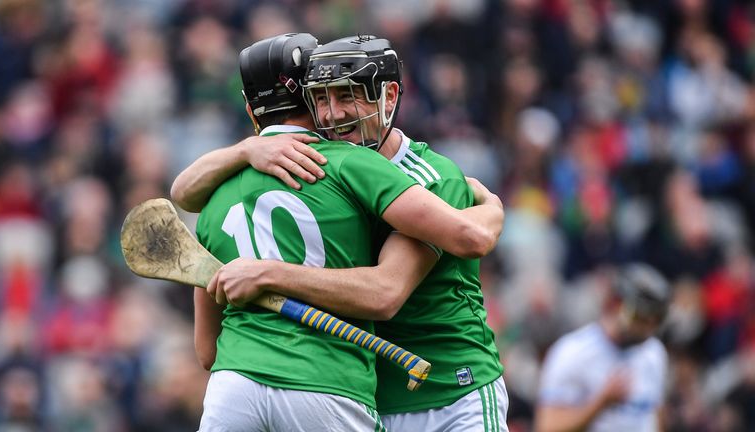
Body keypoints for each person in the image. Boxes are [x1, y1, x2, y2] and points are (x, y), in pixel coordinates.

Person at [177, 35, 509, 431]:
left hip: (451, 389)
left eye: (348, 96)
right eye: (321, 99)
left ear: (388, 98)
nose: (334, 115)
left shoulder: (427, 179)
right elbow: (182, 191)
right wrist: (245, 150)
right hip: (370, 396)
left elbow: (391, 289)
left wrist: (493, 210)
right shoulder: (326, 171)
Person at [534, 263, 671, 432]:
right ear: (615, 304)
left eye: (653, 320)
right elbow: (546, 427)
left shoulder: (654, 353)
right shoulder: (572, 352)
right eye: (640, 316)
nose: (646, 327)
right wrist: (600, 404)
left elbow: (655, 416)